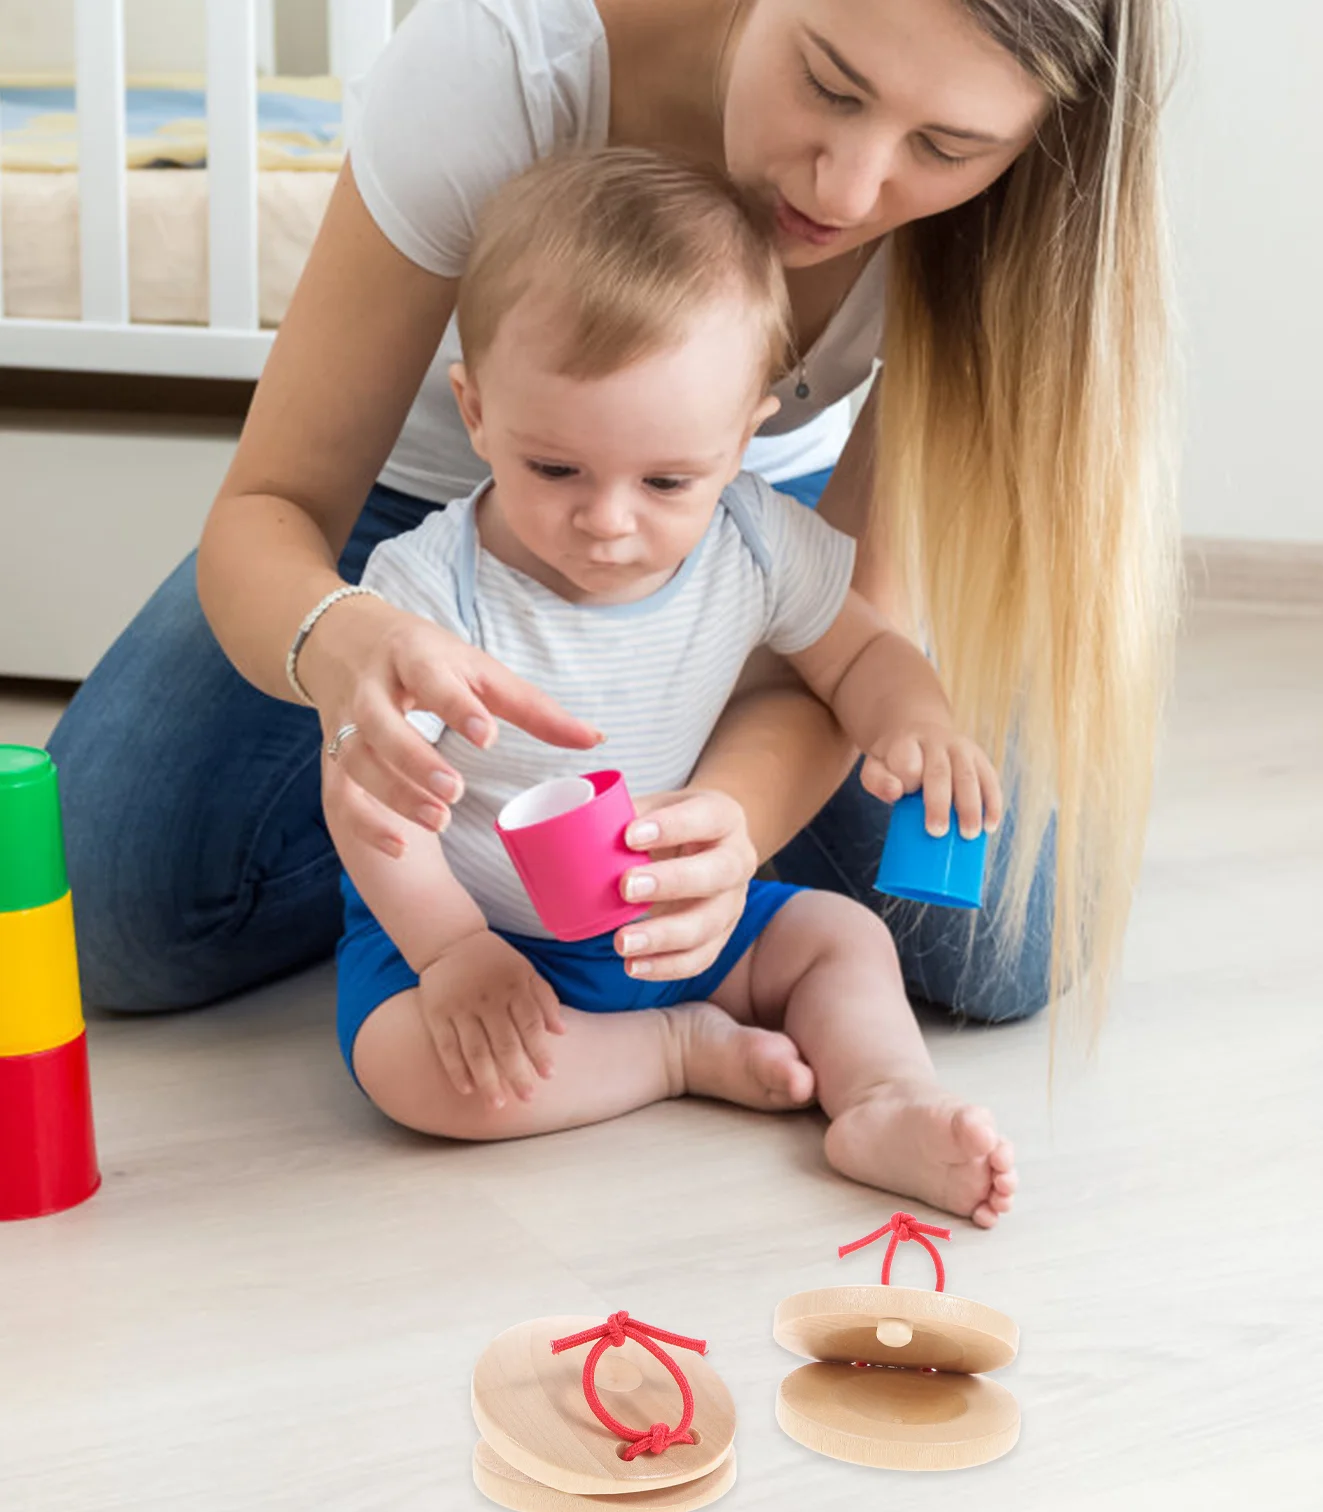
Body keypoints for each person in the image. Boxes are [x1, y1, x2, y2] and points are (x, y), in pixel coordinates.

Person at [48, 0, 1176, 1046]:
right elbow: (270, 508)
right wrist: (344, 645)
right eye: (830, 85)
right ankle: (454, 874)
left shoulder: (1014, 235)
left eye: (946, 148)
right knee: (105, 902)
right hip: (410, 522)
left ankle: (624, 865)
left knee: (1012, 940)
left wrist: (730, 818)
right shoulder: (506, 66)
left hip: (734, 535)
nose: (846, 187)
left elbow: (853, 627)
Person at [334, 150, 1016, 1223]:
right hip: (486, 941)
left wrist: (917, 719)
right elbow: (366, 797)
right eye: (554, 469)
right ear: (474, 412)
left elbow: (859, 653)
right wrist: (452, 950)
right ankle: (667, 1054)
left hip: (693, 922)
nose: (608, 521)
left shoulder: (752, 536)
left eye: (665, 482)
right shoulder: (429, 587)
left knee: (846, 939)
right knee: (407, 1068)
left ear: (743, 437)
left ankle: (884, 1097)